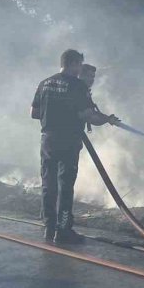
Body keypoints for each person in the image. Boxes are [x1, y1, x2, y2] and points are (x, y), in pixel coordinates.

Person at [31, 49, 119, 244]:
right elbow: (90, 116)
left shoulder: (44, 83)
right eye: (79, 65)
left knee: (48, 185)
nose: (80, 69)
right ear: (74, 64)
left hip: (47, 140)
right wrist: (108, 119)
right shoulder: (76, 86)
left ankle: (49, 228)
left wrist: (53, 116)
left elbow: (34, 112)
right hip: (68, 140)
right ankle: (63, 231)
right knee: (65, 186)